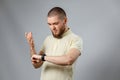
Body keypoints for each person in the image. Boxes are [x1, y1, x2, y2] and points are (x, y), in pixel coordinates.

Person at [25, 7, 83, 80]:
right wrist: (31, 46)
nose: (52, 28)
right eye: (49, 24)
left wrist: (43, 57)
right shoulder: (48, 39)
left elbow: (69, 59)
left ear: (65, 21)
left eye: (55, 23)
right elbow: (36, 65)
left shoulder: (76, 39)